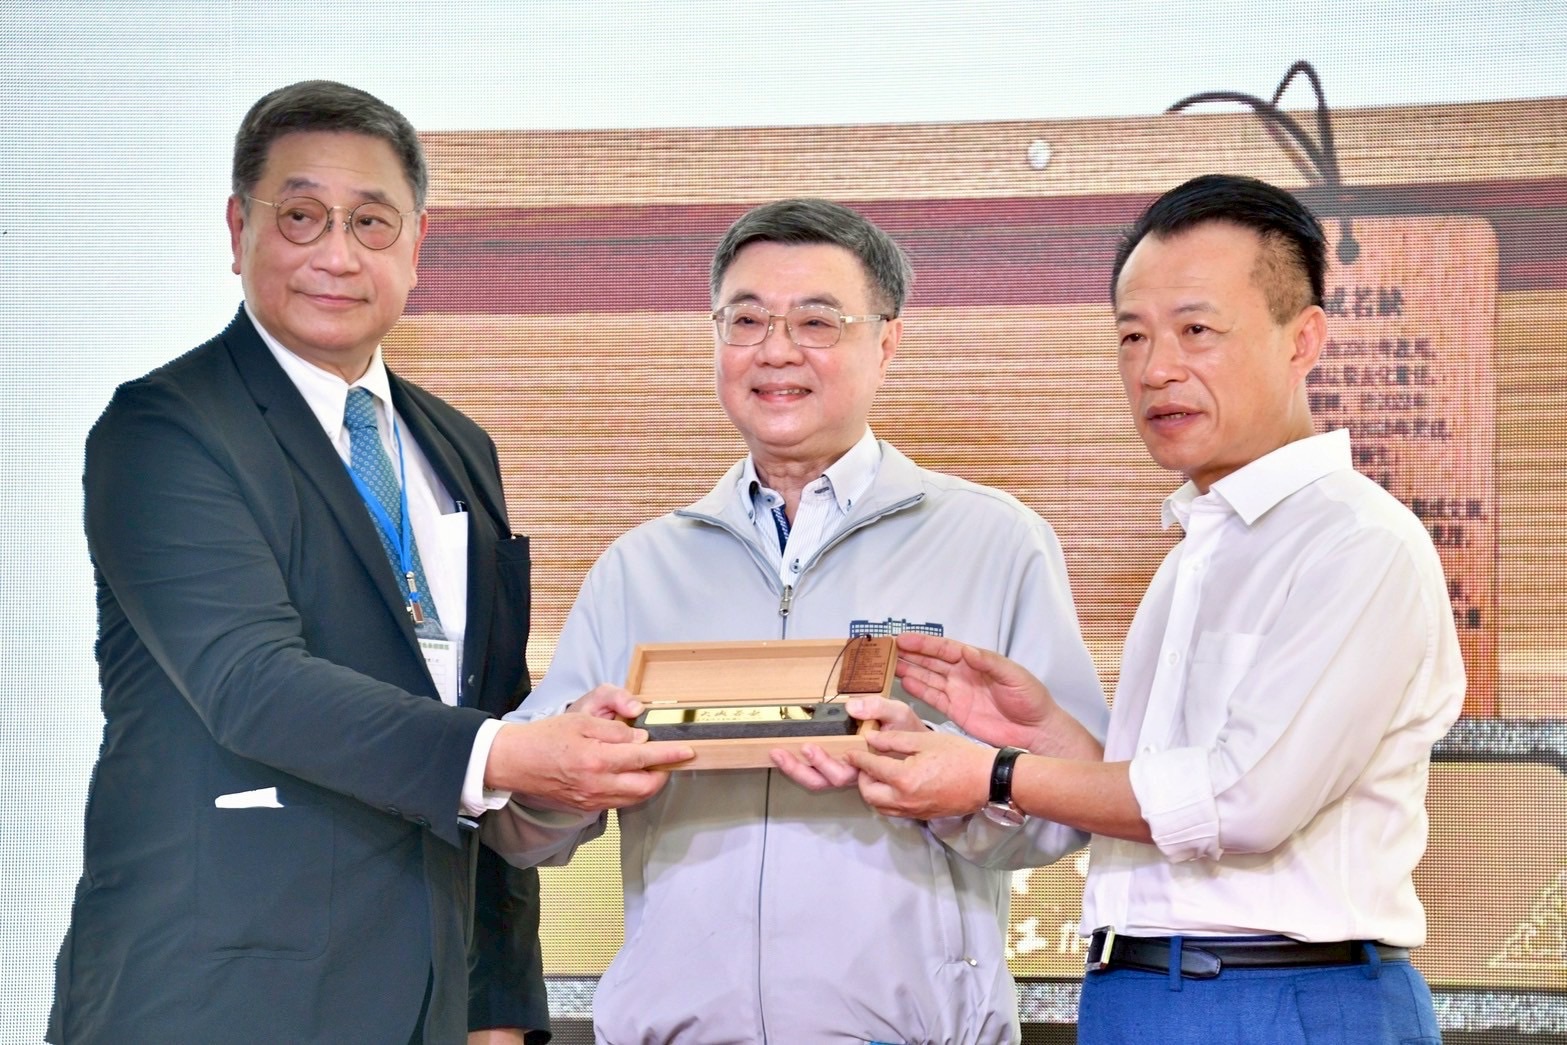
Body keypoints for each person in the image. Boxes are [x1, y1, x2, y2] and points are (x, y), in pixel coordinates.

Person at [48, 80, 690, 1045]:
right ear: (238, 229)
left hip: (423, 1000)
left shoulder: (456, 446)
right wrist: (508, 755)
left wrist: (496, 1005)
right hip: (210, 996)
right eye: (301, 216)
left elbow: (484, 711)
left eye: (371, 222)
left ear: (418, 243)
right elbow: (251, 683)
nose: (337, 255)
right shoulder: (167, 429)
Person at [847, 174, 1466, 1044]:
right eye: (1132, 336)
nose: (1155, 368)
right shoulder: (1195, 549)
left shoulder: (1356, 541)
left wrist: (993, 773)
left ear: (1304, 339)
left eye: (1195, 330)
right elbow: (1172, 797)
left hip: (1281, 996)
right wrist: (1048, 738)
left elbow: (1241, 801)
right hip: (1141, 990)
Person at [482, 197, 1109, 1043]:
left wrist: (963, 787)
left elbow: (1074, 806)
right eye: (746, 320)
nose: (776, 350)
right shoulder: (638, 566)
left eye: (817, 321)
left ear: (886, 342)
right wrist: (563, 774)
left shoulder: (995, 541)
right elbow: (522, 832)